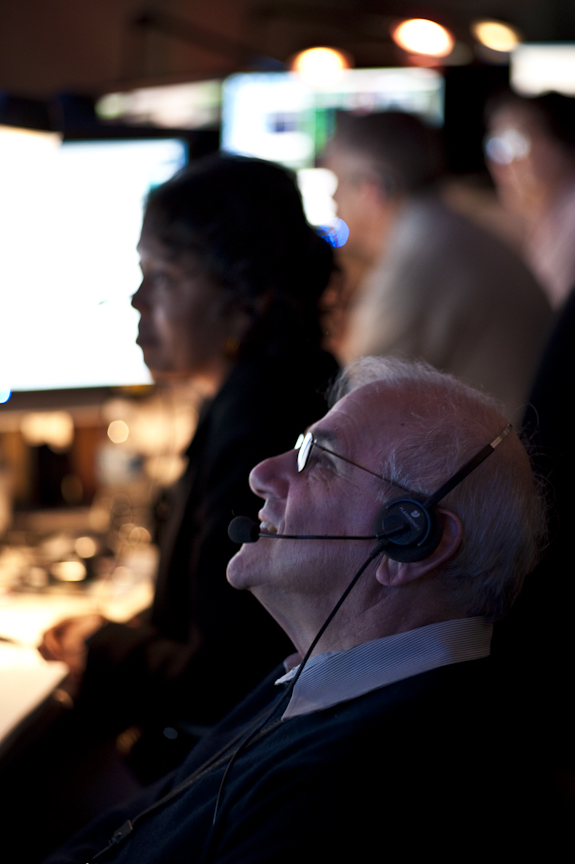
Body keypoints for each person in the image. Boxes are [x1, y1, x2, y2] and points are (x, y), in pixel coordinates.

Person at [43, 357, 561, 864]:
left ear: (409, 540)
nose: (261, 473)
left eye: (320, 461)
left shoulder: (365, 784)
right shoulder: (329, 674)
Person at [15, 155, 338, 860]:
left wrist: (98, 638)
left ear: (239, 295)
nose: (137, 301)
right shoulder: (272, 387)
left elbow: (220, 674)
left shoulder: (257, 428)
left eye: (161, 276)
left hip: (222, 759)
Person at [323, 111, 552, 422]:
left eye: (337, 183)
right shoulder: (447, 227)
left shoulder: (418, 257)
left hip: (505, 457)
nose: (335, 199)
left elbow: (351, 402)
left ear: (371, 189)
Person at [485, 90, 575, 309]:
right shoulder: (543, 218)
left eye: (515, 143)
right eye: (495, 145)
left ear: (558, 145)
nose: (501, 162)